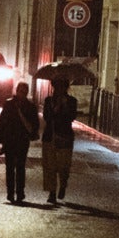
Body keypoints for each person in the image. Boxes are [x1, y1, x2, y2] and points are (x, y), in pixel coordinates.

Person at [0, 81, 37, 203]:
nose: (22, 94)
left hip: (22, 140)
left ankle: (20, 192)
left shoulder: (30, 107)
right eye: (20, 91)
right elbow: (2, 121)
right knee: (10, 167)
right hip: (10, 139)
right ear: (17, 91)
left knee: (20, 167)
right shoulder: (9, 104)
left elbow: (33, 126)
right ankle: (10, 192)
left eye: (24, 92)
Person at [40, 73, 79, 204]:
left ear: (66, 88)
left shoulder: (72, 101)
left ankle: (63, 184)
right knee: (50, 166)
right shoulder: (48, 101)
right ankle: (52, 193)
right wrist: (56, 108)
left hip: (65, 137)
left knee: (63, 166)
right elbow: (46, 117)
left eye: (62, 87)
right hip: (50, 136)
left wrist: (65, 106)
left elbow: (72, 117)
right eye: (57, 87)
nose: (59, 90)